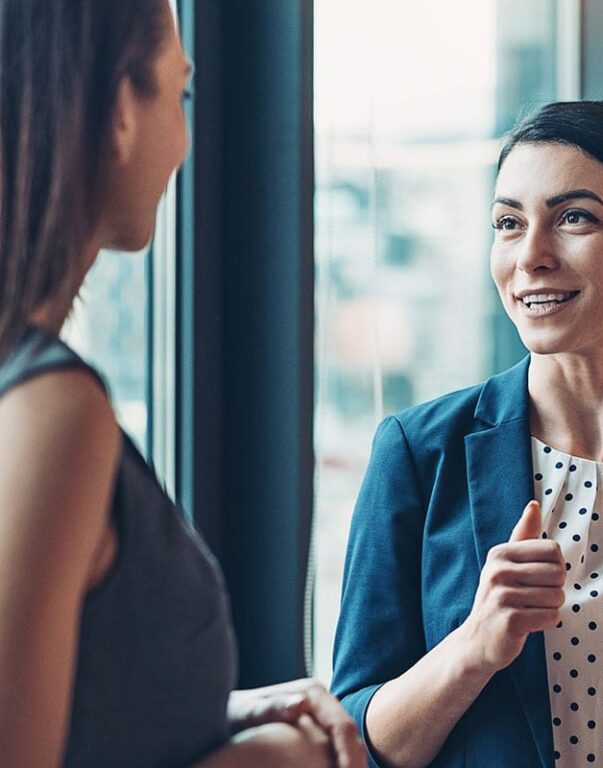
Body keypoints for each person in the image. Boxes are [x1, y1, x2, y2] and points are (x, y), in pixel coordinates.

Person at [331, 101, 603, 768]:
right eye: (509, 223)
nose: (530, 256)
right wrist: (475, 645)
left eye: (573, 218)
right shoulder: (419, 456)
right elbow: (355, 739)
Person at [0, 2, 365, 767]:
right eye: (180, 94)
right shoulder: (55, 412)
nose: (186, 141)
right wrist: (271, 758)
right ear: (121, 112)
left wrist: (221, 713)